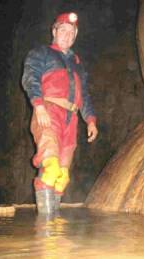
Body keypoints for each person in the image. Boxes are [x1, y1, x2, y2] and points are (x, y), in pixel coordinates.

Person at [22, 12, 98, 215]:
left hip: (71, 119)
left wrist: (90, 120)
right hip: (49, 112)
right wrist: (38, 106)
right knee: (51, 168)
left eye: (71, 32)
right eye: (62, 30)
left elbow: (84, 96)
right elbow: (31, 78)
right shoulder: (42, 53)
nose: (66, 34)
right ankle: (45, 232)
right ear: (54, 31)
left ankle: (54, 231)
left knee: (62, 176)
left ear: (75, 36)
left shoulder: (77, 63)